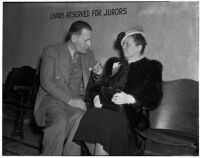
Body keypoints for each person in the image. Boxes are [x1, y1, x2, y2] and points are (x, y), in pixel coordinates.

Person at [73, 25, 163, 155]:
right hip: (106, 108)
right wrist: (95, 97)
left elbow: (154, 96)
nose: (123, 47)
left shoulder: (151, 67)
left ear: (139, 47)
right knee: (89, 117)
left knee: (105, 122)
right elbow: (98, 87)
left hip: (130, 114)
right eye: (122, 44)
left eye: (127, 44)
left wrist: (130, 99)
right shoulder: (114, 64)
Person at [34, 20, 102, 155]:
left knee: (80, 118)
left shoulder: (89, 54)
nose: (90, 44)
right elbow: (46, 81)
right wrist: (70, 101)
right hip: (52, 99)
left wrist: (97, 75)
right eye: (86, 40)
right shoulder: (52, 52)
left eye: (90, 40)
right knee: (59, 120)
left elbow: (94, 83)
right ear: (74, 38)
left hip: (77, 102)